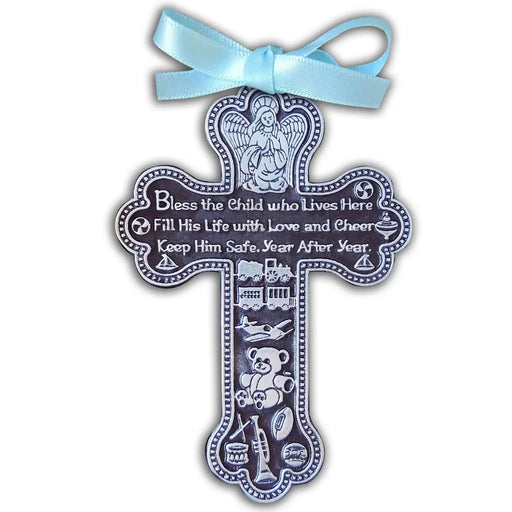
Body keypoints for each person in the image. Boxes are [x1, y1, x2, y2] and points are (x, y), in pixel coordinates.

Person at [241, 106, 289, 192]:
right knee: (262, 185)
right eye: (265, 118)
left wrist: (275, 148)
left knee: (276, 185)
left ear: (274, 118)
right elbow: (251, 150)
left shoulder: (279, 134)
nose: (268, 120)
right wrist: (262, 152)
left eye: (270, 118)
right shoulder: (256, 135)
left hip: (275, 163)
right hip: (261, 164)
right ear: (260, 119)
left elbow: (285, 151)